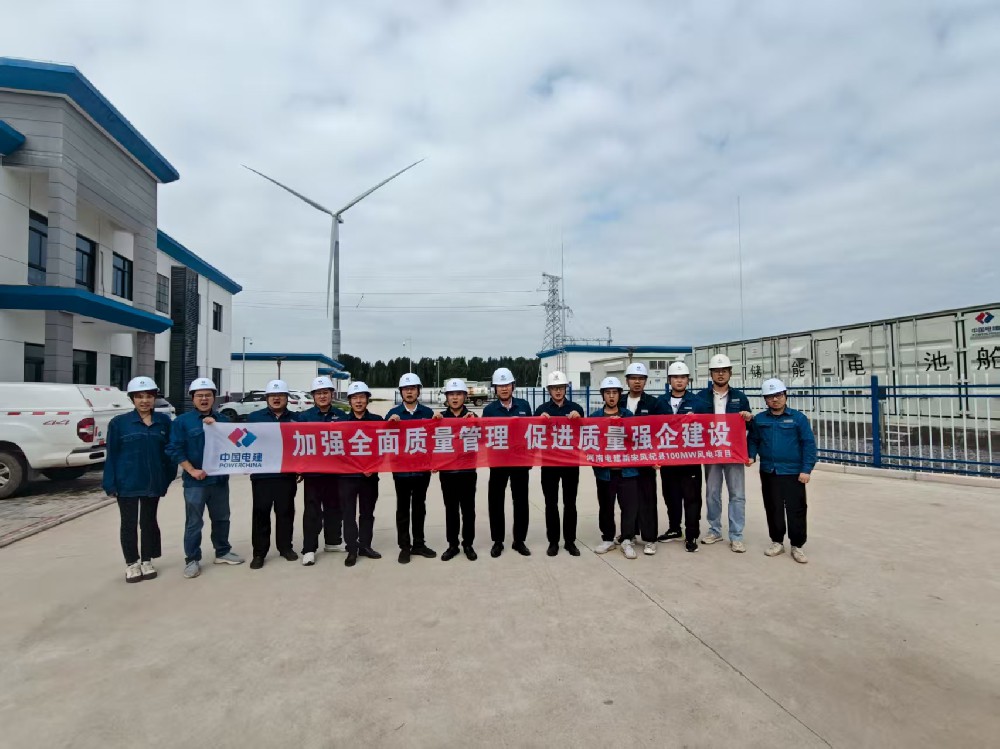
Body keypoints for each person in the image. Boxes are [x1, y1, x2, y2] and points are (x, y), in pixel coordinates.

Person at [166, 377, 244, 579]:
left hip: (219, 481)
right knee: (194, 522)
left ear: (214, 398)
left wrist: (218, 428)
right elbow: (174, 449)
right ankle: (192, 559)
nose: (204, 399)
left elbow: (241, 444)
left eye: (208, 395)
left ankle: (222, 551)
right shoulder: (182, 422)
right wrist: (191, 470)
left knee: (222, 518)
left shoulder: (223, 420)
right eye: (199, 395)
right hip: (195, 482)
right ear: (192, 398)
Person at [102, 376, 175, 583]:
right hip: (127, 482)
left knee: (149, 521)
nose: (144, 401)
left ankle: (147, 560)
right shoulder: (119, 423)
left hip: (153, 482)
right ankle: (132, 563)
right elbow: (112, 454)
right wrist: (110, 483)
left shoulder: (163, 422)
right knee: (129, 523)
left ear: (154, 398)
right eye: (139, 397)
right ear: (132, 399)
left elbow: (169, 453)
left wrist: (166, 478)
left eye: (149, 396)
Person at [748, 378, 817, 564]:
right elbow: (753, 439)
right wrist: (751, 455)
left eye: (778, 395)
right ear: (765, 399)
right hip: (769, 471)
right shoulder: (760, 419)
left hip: (793, 472)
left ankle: (797, 545)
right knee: (773, 507)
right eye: (770, 397)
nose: (775, 400)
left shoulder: (798, 418)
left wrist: (806, 469)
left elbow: (808, 445)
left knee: (796, 509)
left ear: (785, 396)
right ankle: (777, 541)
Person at [695, 354, 753, 553]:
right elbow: (694, 424)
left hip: (733, 452)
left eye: (724, 371)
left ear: (730, 373)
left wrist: (748, 417)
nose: (720, 374)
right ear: (711, 374)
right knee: (712, 493)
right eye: (717, 371)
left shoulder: (740, 397)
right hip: (711, 451)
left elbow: (749, 425)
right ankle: (715, 530)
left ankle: (736, 535)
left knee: (737, 494)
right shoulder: (700, 397)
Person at [247, 379, 300, 569]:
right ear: (267, 398)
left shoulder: (297, 419)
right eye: (272, 395)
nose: (276, 398)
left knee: (285, 512)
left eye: (280, 395)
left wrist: (301, 467)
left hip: (286, 475)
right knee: (261, 513)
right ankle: (259, 553)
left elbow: (302, 444)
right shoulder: (254, 418)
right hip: (262, 476)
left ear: (287, 398)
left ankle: (285, 547)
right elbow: (244, 441)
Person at [482, 367, 534, 558]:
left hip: (520, 463)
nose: (504, 388)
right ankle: (498, 541)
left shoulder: (524, 406)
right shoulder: (489, 410)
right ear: (495, 388)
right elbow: (483, 436)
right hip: (498, 463)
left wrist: (530, 458)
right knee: (496, 502)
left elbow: (532, 432)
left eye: (507, 385)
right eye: (499, 385)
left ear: (513, 386)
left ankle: (519, 540)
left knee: (521, 502)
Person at [386, 373, 437, 564]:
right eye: (406, 389)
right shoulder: (393, 414)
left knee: (419, 507)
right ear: (401, 392)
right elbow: (384, 440)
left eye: (413, 389)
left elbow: (436, 439)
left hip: (422, 470)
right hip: (401, 471)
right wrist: (389, 424)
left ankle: (419, 544)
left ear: (418, 391)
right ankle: (404, 547)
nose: (409, 392)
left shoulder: (428, 413)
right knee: (402, 508)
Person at [654, 362, 703, 553]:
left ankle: (691, 535)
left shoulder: (698, 403)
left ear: (688, 380)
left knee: (692, 499)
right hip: (668, 460)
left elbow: (710, 428)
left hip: (690, 460)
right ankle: (675, 529)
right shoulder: (660, 402)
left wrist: (697, 420)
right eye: (675, 377)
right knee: (671, 497)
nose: (679, 380)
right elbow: (652, 430)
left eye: (683, 377)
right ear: (669, 380)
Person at [297, 376, 345, 567]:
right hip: (313, 473)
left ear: (332, 394)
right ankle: (309, 548)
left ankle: (333, 541)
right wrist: (298, 467)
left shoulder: (341, 416)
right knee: (312, 511)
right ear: (313, 396)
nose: (322, 396)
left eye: (326, 392)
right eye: (318, 393)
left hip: (335, 472)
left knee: (334, 508)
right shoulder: (304, 417)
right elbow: (296, 444)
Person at [534, 370, 584, 556]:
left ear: (565, 388)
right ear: (549, 390)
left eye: (561, 387)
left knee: (570, 503)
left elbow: (585, 432)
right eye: (554, 388)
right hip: (549, 464)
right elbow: (532, 433)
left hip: (570, 463)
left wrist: (579, 419)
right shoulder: (541, 410)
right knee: (551, 503)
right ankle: (553, 541)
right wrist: (539, 421)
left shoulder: (576, 409)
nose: (558, 391)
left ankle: (570, 541)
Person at [590, 377, 640, 560]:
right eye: (608, 393)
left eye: (614, 393)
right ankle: (608, 538)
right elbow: (590, 442)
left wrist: (623, 426)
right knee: (606, 507)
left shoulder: (628, 416)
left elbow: (636, 440)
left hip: (627, 471)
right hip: (605, 472)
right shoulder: (595, 417)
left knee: (629, 507)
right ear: (603, 395)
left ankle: (627, 539)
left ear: (620, 395)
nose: (611, 396)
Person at [337, 381, 383, 567]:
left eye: (362, 397)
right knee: (348, 514)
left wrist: (374, 467)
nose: (358, 401)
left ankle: (365, 545)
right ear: (349, 401)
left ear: (367, 399)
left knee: (367, 513)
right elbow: (336, 451)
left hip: (369, 477)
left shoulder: (377, 421)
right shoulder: (340, 423)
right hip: (347, 478)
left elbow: (384, 448)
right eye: (354, 398)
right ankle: (352, 549)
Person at [433, 378, 479, 561]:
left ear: (465, 396)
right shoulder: (440, 418)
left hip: (468, 472)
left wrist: (476, 423)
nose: (454, 397)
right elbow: (430, 443)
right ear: (446, 397)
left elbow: (485, 439)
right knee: (451, 510)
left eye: (458, 394)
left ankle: (468, 544)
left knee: (468, 510)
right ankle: (452, 545)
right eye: (451, 394)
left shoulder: (473, 417)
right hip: (448, 473)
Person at [623, 362, 660, 547]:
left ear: (646, 381)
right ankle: (629, 535)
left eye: (640, 379)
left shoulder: (653, 403)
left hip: (646, 458)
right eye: (633, 378)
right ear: (627, 381)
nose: (637, 382)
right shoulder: (619, 401)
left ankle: (650, 538)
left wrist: (657, 456)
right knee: (628, 499)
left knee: (647, 498)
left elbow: (662, 430)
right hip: (624, 458)